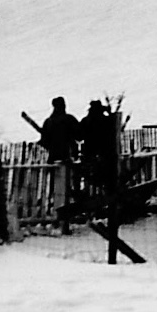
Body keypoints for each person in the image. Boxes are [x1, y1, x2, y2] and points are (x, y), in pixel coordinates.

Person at [39, 96, 80, 232]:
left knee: (55, 189)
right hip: (67, 159)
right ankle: (65, 218)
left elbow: (44, 141)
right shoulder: (69, 119)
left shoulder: (48, 122)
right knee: (69, 188)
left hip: (53, 159)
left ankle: (56, 214)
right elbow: (79, 135)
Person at [79, 99, 119, 214]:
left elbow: (80, 136)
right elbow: (113, 134)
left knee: (91, 180)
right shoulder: (107, 121)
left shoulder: (86, 121)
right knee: (107, 183)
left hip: (90, 155)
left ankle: (92, 206)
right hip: (106, 155)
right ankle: (108, 206)